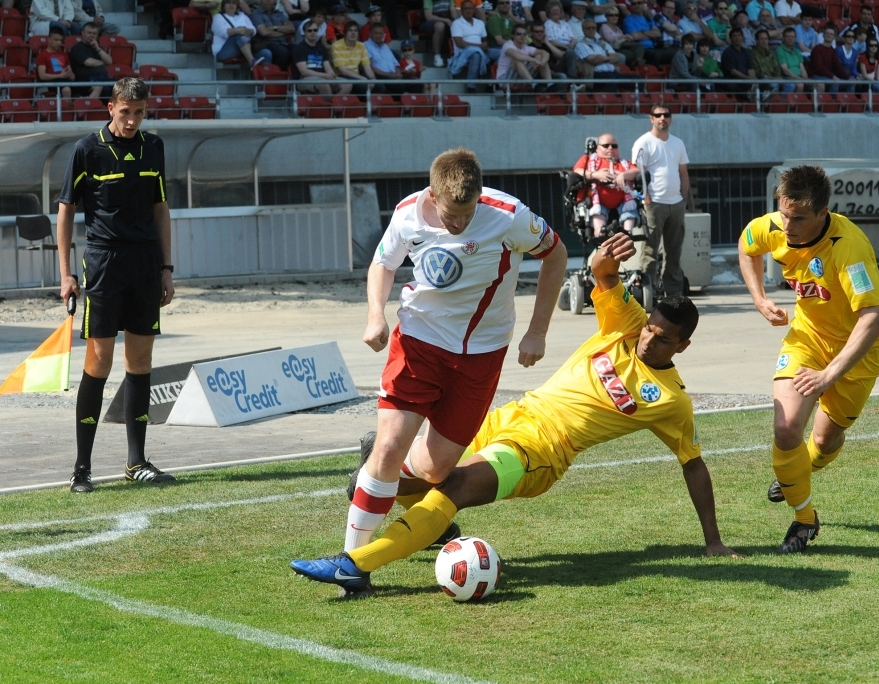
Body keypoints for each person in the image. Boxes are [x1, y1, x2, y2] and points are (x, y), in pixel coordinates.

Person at [289, 233, 741, 594]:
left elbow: (693, 464)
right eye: (650, 330)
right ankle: (432, 526)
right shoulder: (627, 323)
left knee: (453, 486)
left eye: (663, 339)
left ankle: (354, 566)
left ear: (683, 346)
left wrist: (714, 541)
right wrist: (605, 257)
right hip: (507, 418)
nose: (648, 340)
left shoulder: (671, 400)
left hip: (542, 452)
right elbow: (602, 273)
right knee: (395, 477)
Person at [300, 149, 567, 558]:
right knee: (390, 448)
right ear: (433, 194)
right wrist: (375, 315)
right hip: (418, 341)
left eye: (468, 214)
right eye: (451, 215)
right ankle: (351, 564)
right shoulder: (407, 213)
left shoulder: (509, 215)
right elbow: (382, 263)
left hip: (482, 352)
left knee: (435, 468)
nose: (459, 224)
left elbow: (556, 254)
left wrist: (538, 331)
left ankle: (378, 460)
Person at [738, 165, 879, 553]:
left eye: (799, 218)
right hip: (806, 340)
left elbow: (873, 319)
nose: (787, 226)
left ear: (823, 213)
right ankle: (805, 520)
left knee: (824, 440)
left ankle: (798, 471)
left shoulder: (849, 247)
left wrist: (828, 375)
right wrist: (759, 298)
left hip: (857, 352)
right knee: (787, 428)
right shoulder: (775, 226)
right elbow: (746, 245)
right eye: (784, 215)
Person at [58, 77, 176, 494]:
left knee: (140, 362)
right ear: (111, 108)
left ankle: (136, 462)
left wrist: (166, 268)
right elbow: (66, 211)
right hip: (104, 264)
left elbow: (161, 209)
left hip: (145, 265)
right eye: (125, 112)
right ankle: (82, 468)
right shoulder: (87, 149)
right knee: (99, 362)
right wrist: (66, 273)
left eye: (139, 113)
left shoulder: (154, 147)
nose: (131, 120)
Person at [632, 103, 689, 297]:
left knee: (674, 251)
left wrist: (683, 199)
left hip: (676, 203)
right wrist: (646, 198)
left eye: (666, 115)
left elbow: (683, 172)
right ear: (651, 118)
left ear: (670, 118)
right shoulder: (643, 142)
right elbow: (638, 174)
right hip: (654, 204)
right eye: (658, 115)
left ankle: (673, 293)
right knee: (650, 250)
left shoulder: (678, 143)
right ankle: (648, 292)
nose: (662, 118)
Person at [573, 133, 639, 237]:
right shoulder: (588, 160)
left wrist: (623, 175)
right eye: (606, 145)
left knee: (629, 215)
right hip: (598, 202)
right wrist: (595, 174)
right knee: (599, 224)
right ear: (597, 148)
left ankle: (626, 233)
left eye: (614, 146)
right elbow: (577, 171)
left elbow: (637, 171)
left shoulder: (624, 163)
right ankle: (601, 232)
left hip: (623, 201)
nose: (610, 148)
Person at [292, 19, 350, 94]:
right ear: (305, 33)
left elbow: (327, 67)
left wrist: (331, 75)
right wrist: (325, 75)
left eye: (315, 30)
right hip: (304, 79)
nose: (313, 32)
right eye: (309, 31)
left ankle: (335, 101)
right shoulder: (299, 48)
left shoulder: (322, 48)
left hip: (322, 77)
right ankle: (329, 101)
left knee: (347, 84)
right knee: (323, 84)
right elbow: (304, 72)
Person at [449, 0, 489, 91]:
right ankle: (471, 86)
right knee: (476, 55)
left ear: (474, 10)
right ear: (461, 10)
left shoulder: (480, 23)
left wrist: (485, 46)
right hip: (463, 51)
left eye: (470, 8)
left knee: (500, 53)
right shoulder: (457, 23)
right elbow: (459, 43)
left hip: (480, 49)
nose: (468, 11)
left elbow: (484, 40)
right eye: (466, 9)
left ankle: (494, 83)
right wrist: (479, 46)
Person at [575, 19, 626, 89]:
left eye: (593, 28)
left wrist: (604, 58)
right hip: (595, 75)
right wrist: (608, 58)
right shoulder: (580, 44)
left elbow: (616, 58)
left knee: (637, 79)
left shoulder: (603, 43)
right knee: (611, 81)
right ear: (583, 30)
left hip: (613, 73)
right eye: (588, 28)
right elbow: (593, 60)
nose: (591, 30)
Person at [211, 0, 262, 67]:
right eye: (228, 3)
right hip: (223, 51)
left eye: (234, 3)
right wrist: (239, 30)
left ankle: (262, 72)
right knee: (239, 35)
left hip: (244, 47)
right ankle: (251, 61)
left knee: (266, 53)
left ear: (237, 6)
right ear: (223, 6)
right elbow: (223, 32)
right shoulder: (218, 17)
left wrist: (248, 31)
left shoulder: (243, 16)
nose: (231, 5)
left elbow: (253, 29)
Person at [332, 21, 378, 94]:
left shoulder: (361, 46)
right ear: (345, 33)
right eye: (350, 30)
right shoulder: (337, 46)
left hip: (356, 76)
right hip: (342, 76)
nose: (353, 33)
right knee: (364, 86)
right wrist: (362, 78)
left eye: (355, 30)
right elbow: (343, 70)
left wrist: (373, 79)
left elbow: (367, 66)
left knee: (379, 86)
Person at [69, 21, 111, 97]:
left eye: (94, 33)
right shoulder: (77, 48)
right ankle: (89, 104)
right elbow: (88, 62)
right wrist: (103, 62)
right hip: (84, 82)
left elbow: (109, 61)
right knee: (99, 86)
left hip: (102, 78)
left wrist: (97, 48)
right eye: (89, 33)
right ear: (82, 33)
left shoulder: (98, 48)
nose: (92, 35)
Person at [251, 0, 294, 70]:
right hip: (267, 43)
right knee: (282, 52)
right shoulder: (256, 14)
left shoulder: (279, 14)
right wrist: (283, 32)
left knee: (297, 49)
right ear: (261, 1)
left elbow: (292, 28)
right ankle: (280, 74)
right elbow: (264, 32)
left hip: (283, 43)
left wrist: (275, 28)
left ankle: (295, 75)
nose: (268, 1)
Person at [36, 27, 75, 99]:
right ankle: (68, 106)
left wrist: (71, 75)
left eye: (60, 40)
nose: (59, 43)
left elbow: (70, 71)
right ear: (49, 39)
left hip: (65, 80)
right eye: (56, 40)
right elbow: (42, 76)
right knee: (66, 90)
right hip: (51, 82)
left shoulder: (64, 54)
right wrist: (60, 76)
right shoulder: (42, 55)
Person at [810, 22, 850, 93]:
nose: (829, 35)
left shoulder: (832, 50)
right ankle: (832, 100)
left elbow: (838, 65)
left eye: (831, 34)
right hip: (817, 76)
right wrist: (833, 76)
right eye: (827, 33)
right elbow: (819, 67)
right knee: (835, 83)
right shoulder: (817, 49)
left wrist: (848, 78)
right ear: (823, 35)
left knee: (851, 84)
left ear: (834, 37)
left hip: (828, 76)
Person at [544, 2, 580, 76]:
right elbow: (551, 41)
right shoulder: (548, 23)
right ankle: (572, 78)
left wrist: (571, 45)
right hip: (558, 48)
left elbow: (573, 38)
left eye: (557, 10)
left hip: (570, 47)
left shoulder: (565, 23)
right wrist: (566, 47)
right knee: (570, 53)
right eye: (553, 10)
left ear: (561, 12)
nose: (555, 12)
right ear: (549, 13)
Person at [721, 25, 756, 96]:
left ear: (743, 37)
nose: (737, 38)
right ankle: (749, 95)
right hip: (733, 80)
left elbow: (750, 69)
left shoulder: (746, 52)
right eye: (734, 36)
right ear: (731, 39)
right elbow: (733, 71)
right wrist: (748, 79)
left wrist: (753, 79)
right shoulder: (728, 52)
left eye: (739, 35)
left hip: (746, 80)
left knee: (763, 83)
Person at [420, 0, 453, 67]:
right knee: (440, 26)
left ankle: (454, 56)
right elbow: (428, 16)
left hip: (447, 19)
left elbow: (453, 12)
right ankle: (437, 56)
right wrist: (446, 20)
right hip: (430, 21)